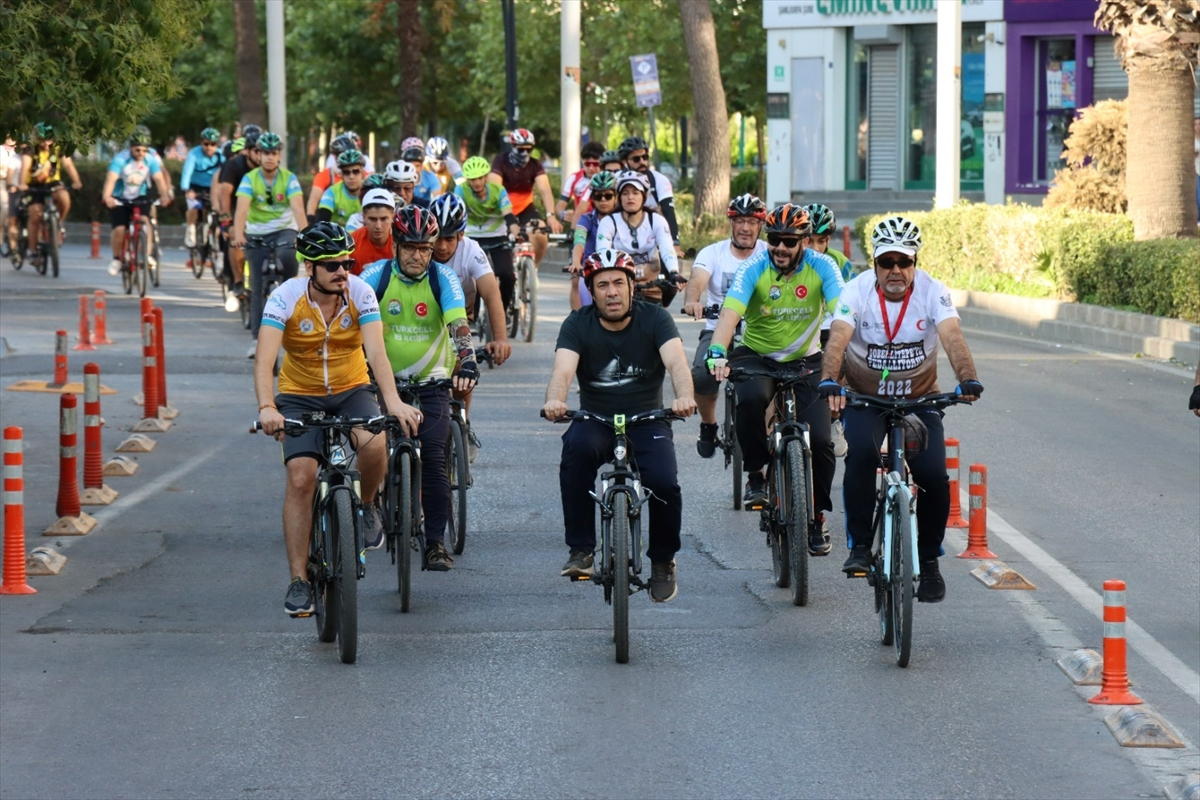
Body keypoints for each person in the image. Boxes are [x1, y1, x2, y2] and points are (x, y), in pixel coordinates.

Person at [254, 221, 419, 616]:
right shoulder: (285, 297)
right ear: (310, 267)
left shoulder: (360, 293)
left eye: (347, 261)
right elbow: (265, 360)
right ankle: (299, 580)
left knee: (375, 441)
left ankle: (365, 507)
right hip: (298, 395)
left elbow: (377, 354)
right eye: (331, 265)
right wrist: (267, 407)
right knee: (301, 477)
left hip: (351, 389)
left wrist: (392, 401)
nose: (342, 270)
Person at [818, 216, 983, 602]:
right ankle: (860, 546)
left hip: (920, 400)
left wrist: (968, 377)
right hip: (866, 398)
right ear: (874, 263)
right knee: (859, 455)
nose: (895, 270)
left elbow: (952, 338)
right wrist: (830, 380)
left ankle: (928, 562)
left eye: (903, 262)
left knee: (933, 476)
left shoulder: (932, 291)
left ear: (915, 263)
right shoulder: (856, 290)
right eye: (886, 261)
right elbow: (838, 339)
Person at [544, 248, 696, 602]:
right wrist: (556, 399)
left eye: (617, 283)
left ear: (631, 287)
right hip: (596, 419)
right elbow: (562, 371)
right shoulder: (577, 323)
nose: (611, 292)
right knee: (576, 454)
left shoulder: (655, 319)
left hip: (647, 419)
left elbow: (677, 364)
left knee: (663, 482)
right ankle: (581, 550)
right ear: (591, 291)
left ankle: (662, 560)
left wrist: (684, 396)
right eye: (601, 285)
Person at [705, 203, 843, 557]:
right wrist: (717, 351)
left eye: (789, 241)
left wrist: (849, 357)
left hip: (807, 360)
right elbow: (731, 313)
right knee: (750, 400)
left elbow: (843, 313)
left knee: (824, 441)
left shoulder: (823, 266)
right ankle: (755, 473)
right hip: (757, 354)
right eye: (775, 240)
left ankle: (816, 518)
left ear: (805, 241)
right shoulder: (754, 266)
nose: (780, 248)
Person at [359, 206, 479, 571]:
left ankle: (435, 544)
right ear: (395, 245)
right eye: (410, 247)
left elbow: (459, 323)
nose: (418, 255)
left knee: (435, 461)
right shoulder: (373, 276)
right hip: (381, 383)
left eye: (425, 248)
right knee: (370, 446)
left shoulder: (443, 279)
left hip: (431, 383)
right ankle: (371, 502)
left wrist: (468, 360)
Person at [682, 193, 768, 458]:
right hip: (719, 329)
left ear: (760, 226)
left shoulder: (768, 252)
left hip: (761, 330)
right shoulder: (713, 253)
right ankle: (709, 424)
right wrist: (693, 300)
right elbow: (697, 280)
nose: (745, 228)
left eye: (752, 222)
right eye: (739, 221)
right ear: (731, 224)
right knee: (701, 372)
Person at [431, 192, 511, 461]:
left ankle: (461, 423)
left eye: (450, 238)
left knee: (461, 374)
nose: (442, 246)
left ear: (462, 235)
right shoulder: (420, 247)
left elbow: (492, 294)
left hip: (460, 318)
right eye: (438, 237)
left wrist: (500, 338)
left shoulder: (472, 252)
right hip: (425, 318)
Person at [229, 131, 307, 359]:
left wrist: (304, 236)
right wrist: (239, 234)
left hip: (284, 231)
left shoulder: (289, 178)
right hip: (256, 234)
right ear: (258, 155)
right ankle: (256, 339)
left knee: (288, 261)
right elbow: (241, 209)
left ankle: (294, 333)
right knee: (255, 285)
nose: (270, 158)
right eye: (265, 153)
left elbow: (298, 209)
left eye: (274, 153)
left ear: (279, 156)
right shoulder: (250, 179)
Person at [805, 202, 854, 458]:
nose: (815, 248)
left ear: (829, 240)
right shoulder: (790, 259)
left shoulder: (841, 263)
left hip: (829, 328)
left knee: (842, 359)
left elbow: (855, 300)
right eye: (808, 240)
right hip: (796, 330)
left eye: (821, 241)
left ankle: (835, 419)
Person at [594, 170, 682, 307]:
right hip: (621, 288)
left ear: (644, 196)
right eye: (625, 193)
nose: (630, 197)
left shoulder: (657, 221)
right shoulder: (609, 222)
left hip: (652, 287)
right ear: (619, 198)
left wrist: (674, 273)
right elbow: (602, 251)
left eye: (635, 193)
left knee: (661, 324)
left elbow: (667, 249)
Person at [487, 128, 563, 270]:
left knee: (540, 233)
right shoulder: (501, 161)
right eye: (521, 149)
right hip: (503, 210)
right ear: (513, 147)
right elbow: (493, 188)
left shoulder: (535, 165)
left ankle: (533, 269)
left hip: (525, 208)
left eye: (529, 150)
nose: (525, 153)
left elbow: (545, 190)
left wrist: (550, 216)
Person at [102, 130, 173, 278]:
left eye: (144, 150)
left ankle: (146, 255)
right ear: (131, 147)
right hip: (120, 197)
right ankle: (116, 259)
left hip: (140, 196)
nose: (141, 153)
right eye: (137, 149)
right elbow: (111, 179)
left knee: (146, 221)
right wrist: (107, 196)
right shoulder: (120, 159)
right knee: (120, 229)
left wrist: (165, 195)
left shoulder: (150, 160)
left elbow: (159, 179)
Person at [457, 155, 520, 315]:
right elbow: (456, 214)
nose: (476, 183)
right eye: (472, 179)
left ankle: (502, 312)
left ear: (486, 177)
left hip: (497, 235)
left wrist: (517, 233)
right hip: (472, 236)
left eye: (479, 178)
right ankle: (473, 316)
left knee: (507, 275)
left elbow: (508, 214)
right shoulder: (461, 190)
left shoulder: (498, 190)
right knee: (473, 277)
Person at [19, 123, 82, 266]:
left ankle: (58, 223)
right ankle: (33, 251)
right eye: (42, 141)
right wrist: (22, 183)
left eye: (49, 140)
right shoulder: (30, 149)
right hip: (34, 185)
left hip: (53, 182)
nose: (46, 144)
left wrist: (76, 181)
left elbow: (68, 165)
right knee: (35, 214)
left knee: (64, 197)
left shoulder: (58, 147)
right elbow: (25, 166)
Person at [215, 126, 263, 305]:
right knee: (235, 237)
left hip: (259, 209)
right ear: (247, 151)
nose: (261, 156)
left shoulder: (267, 167)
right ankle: (237, 281)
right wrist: (227, 221)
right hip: (236, 207)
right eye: (256, 151)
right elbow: (225, 193)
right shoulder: (234, 165)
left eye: (263, 152)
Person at [618, 135, 681, 259]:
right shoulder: (616, 180)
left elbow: (669, 213)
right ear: (625, 162)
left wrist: (675, 243)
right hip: (622, 234)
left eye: (645, 157)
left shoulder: (660, 180)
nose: (642, 162)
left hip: (652, 235)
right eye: (636, 159)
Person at [566, 170, 619, 310]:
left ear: (616, 197)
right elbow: (579, 241)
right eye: (598, 196)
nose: (603, 200)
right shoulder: (586, 219)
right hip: (592, 272)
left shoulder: (623, 220)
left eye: (608, 196)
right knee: (587, 311)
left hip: (620, 272)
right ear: (592, 199)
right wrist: (576, 262)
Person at [180, 127, 225, 249]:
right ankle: (191, 229)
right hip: (195, 186)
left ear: (217, 145)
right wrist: (186, 189)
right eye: (206, 144)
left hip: (213, 187)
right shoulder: (194, 154)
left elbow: (227, 172)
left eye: (213, 144)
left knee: (217, 212)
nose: (209, 147)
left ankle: (213, 237)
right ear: (201, 143)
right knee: (194, 207)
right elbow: (187, 172)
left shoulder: (221, 156)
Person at [554, 140, 606, 226]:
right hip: (582, 224)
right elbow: (559, 207)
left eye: (595, 164)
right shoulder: (574, 178)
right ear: (582, 162)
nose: (591, 168)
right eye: (587, 164)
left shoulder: (608, 178)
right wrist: (563, 214)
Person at [350, 187, 397, 274]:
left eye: (383, 219)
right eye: (372, 219)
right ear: (363, 217)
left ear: (392, 217)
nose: (378, 226)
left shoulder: (402, 241)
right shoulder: (352, 244)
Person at [316, 149, 366, 226]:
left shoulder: (370, 192)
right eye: (346, 172)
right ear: (341, 174)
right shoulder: (331, 193)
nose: (351, 176)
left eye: (355, 171)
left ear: (362, 173)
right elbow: (321, 221)